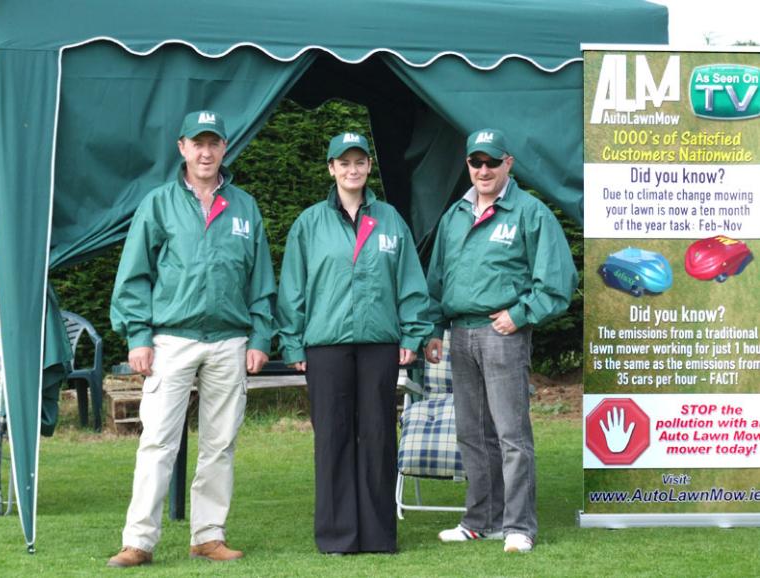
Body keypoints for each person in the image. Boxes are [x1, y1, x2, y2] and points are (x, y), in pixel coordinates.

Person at [108, 110, 276, 567]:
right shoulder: (158, 204)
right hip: (171, 340)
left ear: (225, 148)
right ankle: (139, 540)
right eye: (197, 143)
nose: (206, 152)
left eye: (214, 143)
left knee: (220, 443)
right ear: (182, 147)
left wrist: (260, 336)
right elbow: (133, 276)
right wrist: (138, 335)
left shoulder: (245, 207)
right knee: (158, 440)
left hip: (229, 341)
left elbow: (261, 282)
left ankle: (208, 535)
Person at [277, 132, 432, 555]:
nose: (352, 169)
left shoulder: (390, 220)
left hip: (379, 344)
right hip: (326, 346)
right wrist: (292, 344)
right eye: (343, 163)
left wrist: (413, 333)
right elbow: (292, 289)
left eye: (359, 161)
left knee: (379, 434)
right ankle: (337, 535)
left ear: (367, 167)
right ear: (331, 169)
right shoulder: (310, 223)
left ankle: (378, 535)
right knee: (333, 437)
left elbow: (410, 283)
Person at [424, 128, 577, 553]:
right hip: (460, 334)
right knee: (472, 433)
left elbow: (558, 282)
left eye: (492, 161)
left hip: (501, 333)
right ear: (467, 165)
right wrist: (435, 329)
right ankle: (480, 520)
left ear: (508, 163)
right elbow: (437, 280)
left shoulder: (530, 212)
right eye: (476, 162)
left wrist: (521, 314)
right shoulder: (455, 215)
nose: (484, 170)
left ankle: (519, 526)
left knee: (511, 434)